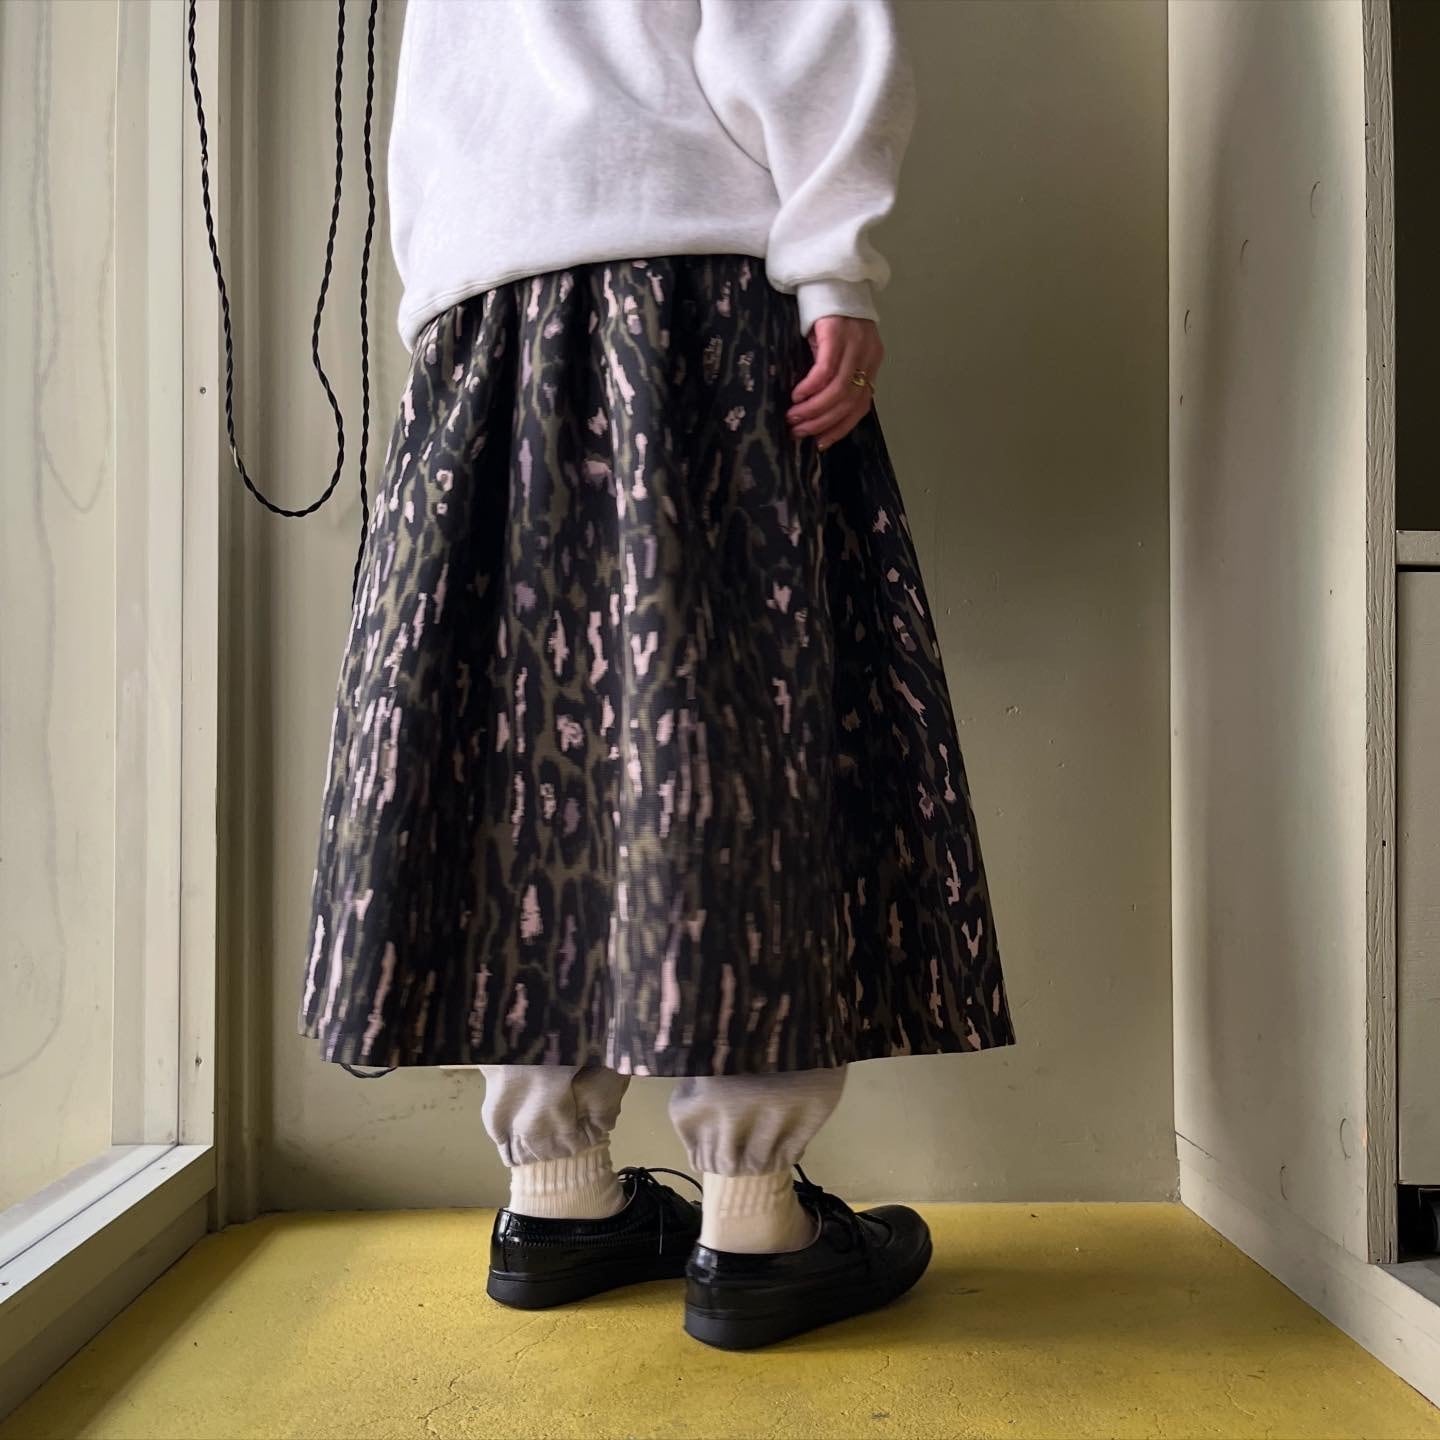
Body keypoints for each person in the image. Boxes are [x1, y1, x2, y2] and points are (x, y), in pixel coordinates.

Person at [300, 0, 1014, 1351]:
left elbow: (443, 106)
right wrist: (835, 266)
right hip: (688, 299)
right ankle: (755, 1219)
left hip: (485, 316)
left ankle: (557, 1195)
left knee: (527, 759)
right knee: (734, 741)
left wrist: (443, 323)